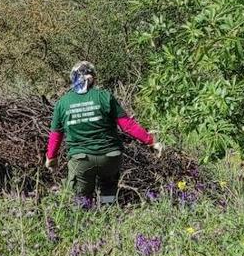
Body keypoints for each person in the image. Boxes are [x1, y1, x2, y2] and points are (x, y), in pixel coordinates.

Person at [44, 61, 162, 204]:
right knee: (108, 192)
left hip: (81, 159)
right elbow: (128, 126)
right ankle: (108, 207)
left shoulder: (63, 103)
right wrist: (151, 141)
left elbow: (56, 135)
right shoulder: (105, 96)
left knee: (81, 199)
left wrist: (51, 158)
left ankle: (85, 212)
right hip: (110, 157)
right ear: (93, 78)